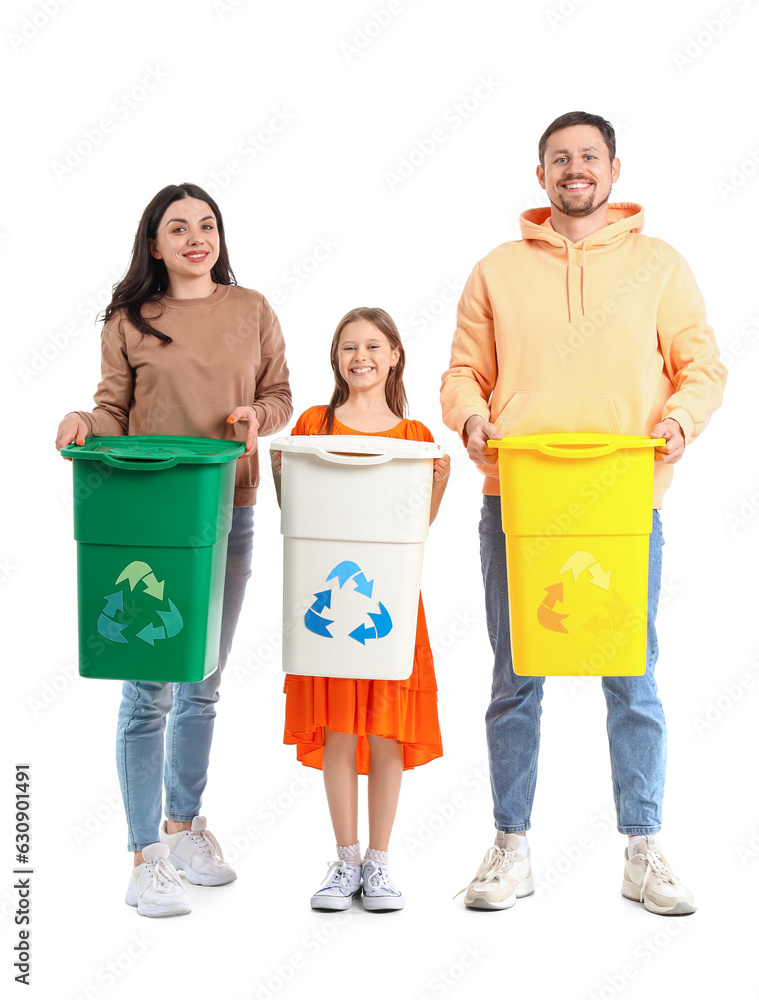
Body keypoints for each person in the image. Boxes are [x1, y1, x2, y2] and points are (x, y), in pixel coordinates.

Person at [441, 112, 727, 915]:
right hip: (519, 499)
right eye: (559, 158)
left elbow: (701, 365)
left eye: (588, 157)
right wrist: (468, 417)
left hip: (620, 500)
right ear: (540, 176)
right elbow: (462, 371)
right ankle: (510, 847)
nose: (575, 169)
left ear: (613, 169)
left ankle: (643, 848)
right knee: (514, 675)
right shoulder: (496, 270)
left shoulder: (660, 265)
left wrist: (679, 420)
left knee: (630, 675)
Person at [55, 183, 292, 917]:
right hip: (153, 521)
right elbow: (112, 410)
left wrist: (259, 414)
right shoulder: (131, 319)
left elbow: (281, 393)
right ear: (153, 244)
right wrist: (82, 420)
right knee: (149, 688)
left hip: (231, 508)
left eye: (208, 225)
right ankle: (143, 857)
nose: (196, 237)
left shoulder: (250, 308)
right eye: (178, 228)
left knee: (205, 678)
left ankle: (184, 826)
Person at [271, 307, 449, 911]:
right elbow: (293, 503)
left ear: (395, 355)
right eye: (348, 347)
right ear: (336, 358)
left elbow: (416, 525)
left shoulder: (415, 439)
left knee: (387, 730)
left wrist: (440, 475)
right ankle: (345, 861)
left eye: (373, 345)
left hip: (388, 598)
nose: (361, 357)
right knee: (341, 726)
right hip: (326, 602)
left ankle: (380, 863)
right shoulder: (313, 424)